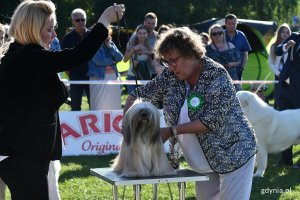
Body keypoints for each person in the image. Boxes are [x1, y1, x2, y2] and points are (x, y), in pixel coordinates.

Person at [0, 1, 124, 199]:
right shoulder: (30, 58)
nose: (54, 35)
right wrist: (104, 21)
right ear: (33, 29)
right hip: (24, 155)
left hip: (25, 154)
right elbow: (77, 55)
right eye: (49, 29)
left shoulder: (19, 56)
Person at [123, 27, 257, 200]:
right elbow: (139, 94)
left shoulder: (216, 75)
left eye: (173, 61)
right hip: (203, 164)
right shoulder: (171, 75)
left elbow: (210, 122)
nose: (170, 67)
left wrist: (171, 131)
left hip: (234, 154)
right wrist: (127, 122)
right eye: (166, 62)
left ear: (191, 53)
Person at [275, 28, 300, 169]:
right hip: (285, 87)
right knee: (284, 123)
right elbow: (278, 51)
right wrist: (285, 46)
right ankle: (286, 158)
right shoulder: (295, 36)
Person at [61, 8, 91, 111]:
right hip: (75, 75)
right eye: (77, 20)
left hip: (92, 75)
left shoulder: (92, 36)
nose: (81, 22)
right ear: (73, 21)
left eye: (83, 19)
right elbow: (64, 60)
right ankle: (75, 127)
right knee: (75, 105)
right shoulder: (67, 39)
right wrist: (70, 73)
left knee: (94, 103)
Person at [87, 26, 123, 110]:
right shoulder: (91, 45)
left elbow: (120, 57)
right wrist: (113, 61)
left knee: (114, 106)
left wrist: (110, 47)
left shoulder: (110, 43)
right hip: (98, 78)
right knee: (99, 106)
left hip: (113, 78)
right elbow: (99, 61)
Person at [206, 24, 242, 91]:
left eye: (220, 33)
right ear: (210, 35)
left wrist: (231, 64)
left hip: (233, 79)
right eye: (214, 34)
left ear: (223, 34)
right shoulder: (207, 49)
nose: (218, 35)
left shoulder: (230, 45)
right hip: (215, 80)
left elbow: (239, 61)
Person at [124, 25, 154, 93]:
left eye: (144, 33)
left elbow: (153, 63)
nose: (142, 35)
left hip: (144, 76)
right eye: (140, 33)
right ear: (137, 34)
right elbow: (125, 60)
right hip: (132, 76)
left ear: (147, 35)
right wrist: (134, 49)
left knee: (143, 100)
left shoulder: (149, 48)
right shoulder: (131, 46)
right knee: (132, 99)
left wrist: (146, 52)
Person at [268, 23, 291, 109]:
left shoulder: (291, 46)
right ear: (279, 33)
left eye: (287, 32)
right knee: (277, 99)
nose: (285, 34)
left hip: (289, 76)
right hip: (278, 76)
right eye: (283, 32)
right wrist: (278, 73)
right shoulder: (274, 46)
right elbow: (270, 63)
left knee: (289, 100)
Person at [224, 14, 251, 80]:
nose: (231, 26)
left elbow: (245, 53)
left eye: (233, 23)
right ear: (225, 24)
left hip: (238, 71)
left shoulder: (241, 35)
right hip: (223, 70)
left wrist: (242, 68)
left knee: (238, 90)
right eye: (229, 24)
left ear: (237, 23)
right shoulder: (219, 35)